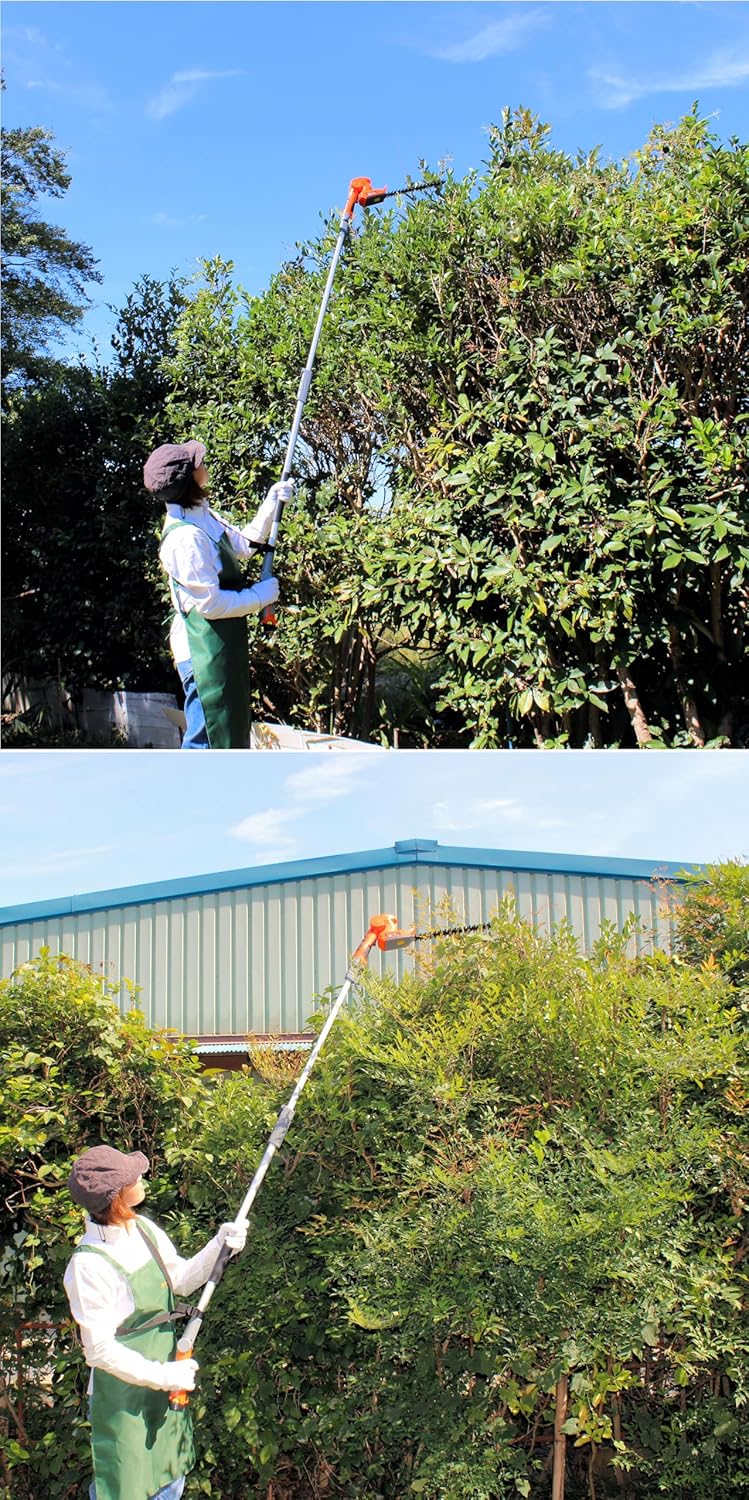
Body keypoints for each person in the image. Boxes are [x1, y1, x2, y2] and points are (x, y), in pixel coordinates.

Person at [63, 1144, 247, 1500]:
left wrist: (220, 1245)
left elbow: (181, 1280)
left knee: (169, 1477)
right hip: (122, 1394)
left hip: (165, 1380)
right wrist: (165, 1376)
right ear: (117, 1196)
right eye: (133, 1178)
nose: (142, 1179)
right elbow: (99, 1351)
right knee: (125, 1488)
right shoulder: (88, 1265)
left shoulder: (142, 1229)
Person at [143, 439, 293, 749]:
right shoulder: (185, 539)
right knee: (206, 740)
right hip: (201, 654)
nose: (204, 464)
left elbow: (243, 545)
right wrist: (259, 597)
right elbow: (211, 605)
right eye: (198, 464)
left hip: (220, 647)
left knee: (226, 735)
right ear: (189, 480)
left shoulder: (201, 515)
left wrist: (271, 504)